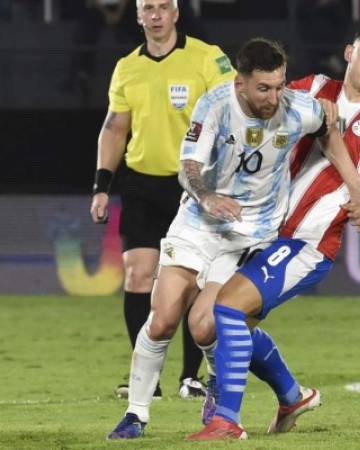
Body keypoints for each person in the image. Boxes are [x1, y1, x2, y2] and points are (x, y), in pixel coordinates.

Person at [106, 35, 360, 440]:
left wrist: (356, 183)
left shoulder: (296, 108)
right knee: (164, 318)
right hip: (199, 223)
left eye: (279, 85)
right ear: (240, 83)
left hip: (249, 237)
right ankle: (136, 413)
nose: (275, 97)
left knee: (205, 326)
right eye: (264, 88)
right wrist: (208, 196)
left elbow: (327, 129)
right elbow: (188, 167)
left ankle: (219, 384)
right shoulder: (216, 106)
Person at [185, 22, 360, 441]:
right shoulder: (313, 90)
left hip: (307, 242)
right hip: (259, 229)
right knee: (203, 324)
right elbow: (264, 105)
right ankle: (293, 397)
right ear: (349, 53)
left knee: (231, 307)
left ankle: (226, 420)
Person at [89, 0, 235, 403]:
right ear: (138, 16)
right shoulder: (127, 67)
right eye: (147, 8)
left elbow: (234, 113)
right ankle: (145, 380)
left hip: (194, 188)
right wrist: (102, 185)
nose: (155, 15)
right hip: (141, 185)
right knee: (138, 275)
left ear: (175, 13)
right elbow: (115, 127)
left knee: (190, 282)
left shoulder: (207, 58)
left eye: (162, 7)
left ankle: (190, 376)